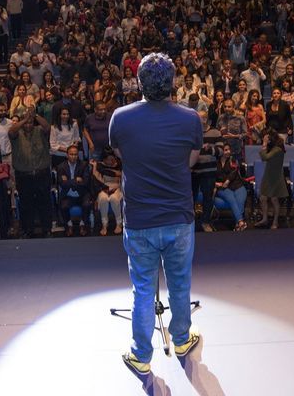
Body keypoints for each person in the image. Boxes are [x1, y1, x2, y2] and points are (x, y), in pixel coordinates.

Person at [107, 52, 203, 375]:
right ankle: (180, 340)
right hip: (178, 217)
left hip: (139, 221)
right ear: (173, 83)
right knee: (180, 284)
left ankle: (141, 355)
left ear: (139, 82)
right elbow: (190, 162)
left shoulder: (120, 118)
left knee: (143, 290)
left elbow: (122, 155)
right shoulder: (191, 119)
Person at [8, 107, 53, 238]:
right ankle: (28, 229)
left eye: (30, 122)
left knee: (44, 202)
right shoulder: (17, 134)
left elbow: (47, 127)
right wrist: (25, 119)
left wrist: (35, 116)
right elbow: (11, 131)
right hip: (24, 175)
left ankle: (47, 229)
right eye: (26, 123)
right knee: (26, 204)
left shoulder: (40, 131)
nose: (28, 125)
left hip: (41, 173)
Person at [55, 144, 92, 236]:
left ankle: (83, 225)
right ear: (67, 155)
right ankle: (69, 226)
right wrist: (76, 180)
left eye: (75, 154)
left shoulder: (84, 165)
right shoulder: (61, 167)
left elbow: (86, 182)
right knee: (63, 206)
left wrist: (68, 181)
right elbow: (62, 184)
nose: (73, 156)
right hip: (68, 194)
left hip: (82, 194)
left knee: (87, 204)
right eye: (71, 154)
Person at [254, 129, 288, 229]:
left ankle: (275, 221)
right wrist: (265, 144)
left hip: (276, 177)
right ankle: (265, 219)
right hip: (268, 175)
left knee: (274, 199)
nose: (266, 140)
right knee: (263, 198)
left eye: (267, 138)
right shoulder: (273, 146)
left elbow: (265, 157)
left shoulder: (277, 148)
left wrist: (264, 144)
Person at [214, 143, 247, 231]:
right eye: (225, 150)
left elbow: (234, 172)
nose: (228, 152)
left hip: (237, 185)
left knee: (239, 202)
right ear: (221, 151)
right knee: (232, 199)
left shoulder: (233, 160)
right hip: (223, 188)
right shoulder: (214, 162)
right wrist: (216, 183)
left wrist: (228, 180)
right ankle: (240, 221)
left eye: (229, 149)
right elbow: (210, 176)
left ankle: (238, 224)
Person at [92, 147, 123, 235]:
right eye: (107, 159)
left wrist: (116, 187)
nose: (110, 161)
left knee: (113, 198)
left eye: (111, 159)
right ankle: (104, 224)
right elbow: (96, 177)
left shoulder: (120, 165)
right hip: (104, 187)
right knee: (103, 198)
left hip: (117, 188)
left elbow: (122, 177)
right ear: (104, 159)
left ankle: (119, 223)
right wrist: (94, 166)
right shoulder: (100, 165)